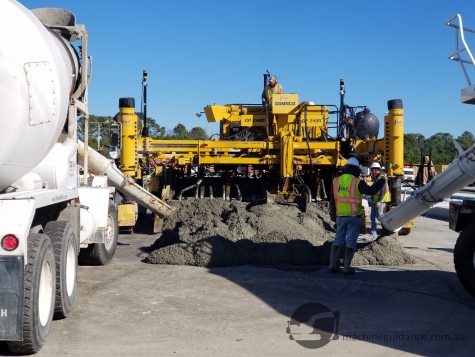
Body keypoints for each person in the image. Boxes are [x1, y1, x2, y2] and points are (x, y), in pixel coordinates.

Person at [328, 157, 386, 275]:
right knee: (351, 241)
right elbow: (370, 191)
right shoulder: (356, 181)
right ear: (356, 169)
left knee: (338, 239)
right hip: (353, 216)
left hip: (340, 216)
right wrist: (382, 181)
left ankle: (332, 265)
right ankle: (346, 268)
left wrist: (333, 215)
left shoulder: (336, 181)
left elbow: (332, 200)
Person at [368, 162, 390, 239]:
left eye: (372, 170)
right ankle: (373, 234)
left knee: (380, 217)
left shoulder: (382, 178)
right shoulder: (377, 177)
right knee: (373, 216)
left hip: (381, 200)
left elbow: (383, 190)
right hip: (376, 200)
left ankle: (387, 232)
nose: (371, 171)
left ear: (375, 170)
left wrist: (379, 201)